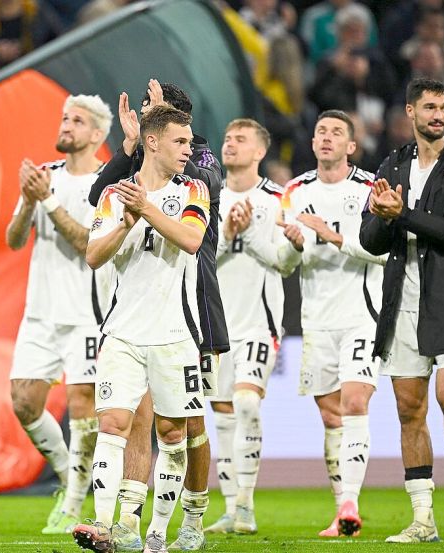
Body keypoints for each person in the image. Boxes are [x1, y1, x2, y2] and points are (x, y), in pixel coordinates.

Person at [86, 80, 225, 552]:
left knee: (173, 433)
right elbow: (93, 256)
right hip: (123, 332)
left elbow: (190, 240)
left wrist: (143, 208)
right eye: (181, 142)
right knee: (113, 424)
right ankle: (107, 526)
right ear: (152, 142)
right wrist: (125, 223)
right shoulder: (114, 196)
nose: (189, 149)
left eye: (189, 142)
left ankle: (159, 535)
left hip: (176, 332)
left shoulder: (195, 188)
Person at [360, 77, 444, 543]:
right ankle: (422, 520)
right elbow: (368, 240)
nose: (439, 115)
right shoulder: (393, 164)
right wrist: (379, 214)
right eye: (430, 107)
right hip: (404, 302)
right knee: (409, 410)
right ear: (410, 112)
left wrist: (402, 215)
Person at [4, 94, 113, 535]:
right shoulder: (44, 176)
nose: (67, 125)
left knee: (83, 406)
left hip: (86, 313)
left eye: (78, 120)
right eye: (65, 118)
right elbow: (13, 239)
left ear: (97, 135)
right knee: (23, 402)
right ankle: (71, 476)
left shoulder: (106, 182)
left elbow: (91, 245)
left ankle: (71, 505)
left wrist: (47, 201)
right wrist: (29, 200)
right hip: (41, 312)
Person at [274, 110, 385, 538]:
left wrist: (332, 234)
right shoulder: (294, 191)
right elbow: (283, 264)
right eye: (321, 131)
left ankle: (351, 503)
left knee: (355, 402)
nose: (326, 137)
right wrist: (295, 245)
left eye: (337, 132)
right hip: (317, 321)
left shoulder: (370, 188)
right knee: (330, 415)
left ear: (351, 146)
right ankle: (342, 513)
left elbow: (383, 253)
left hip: (361, 315)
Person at [203, 118, 285, 537]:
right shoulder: (207, 198)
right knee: (221, 413)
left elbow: (287, 261)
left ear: (259, 152)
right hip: (216, 325)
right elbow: (196, 263)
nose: (230, 144)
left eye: (241, 139)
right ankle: (231, 508)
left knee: (247, 404)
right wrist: (227, 233)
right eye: (227, 137)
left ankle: (246, 507)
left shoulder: (275, 199)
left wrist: (249, 234)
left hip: (258, 322)